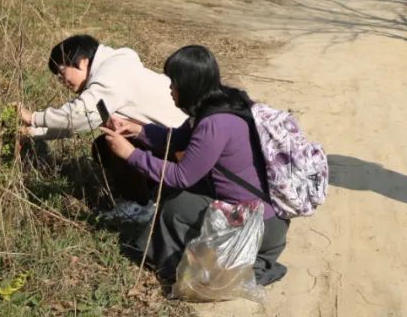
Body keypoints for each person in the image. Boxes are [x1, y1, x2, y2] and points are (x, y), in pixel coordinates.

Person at [100, 45, 289, 285]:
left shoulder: (214, 124)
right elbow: (179, 139)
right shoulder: (222, 103)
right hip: (266, 219)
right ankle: (168, 257)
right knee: (178, 194)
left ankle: (174, 270)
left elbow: (181, 176)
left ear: (189, 85)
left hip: (258, 228)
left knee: (177, 203)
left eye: (173, 83)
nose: (170, 89)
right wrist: (138, 130)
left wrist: (130, 155)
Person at [17, 34, 188, 221]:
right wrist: (32, 133)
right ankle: (153, 192)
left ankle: (139, 205)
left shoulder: (112, 75)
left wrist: (33, 117)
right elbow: (83, 121)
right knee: (108, 141)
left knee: (108, 144)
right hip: (172, 141)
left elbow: (79, 115)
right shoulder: (111, 72)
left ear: (82, 62)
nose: (62, 81)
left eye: (61, 73)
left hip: (184, 149)